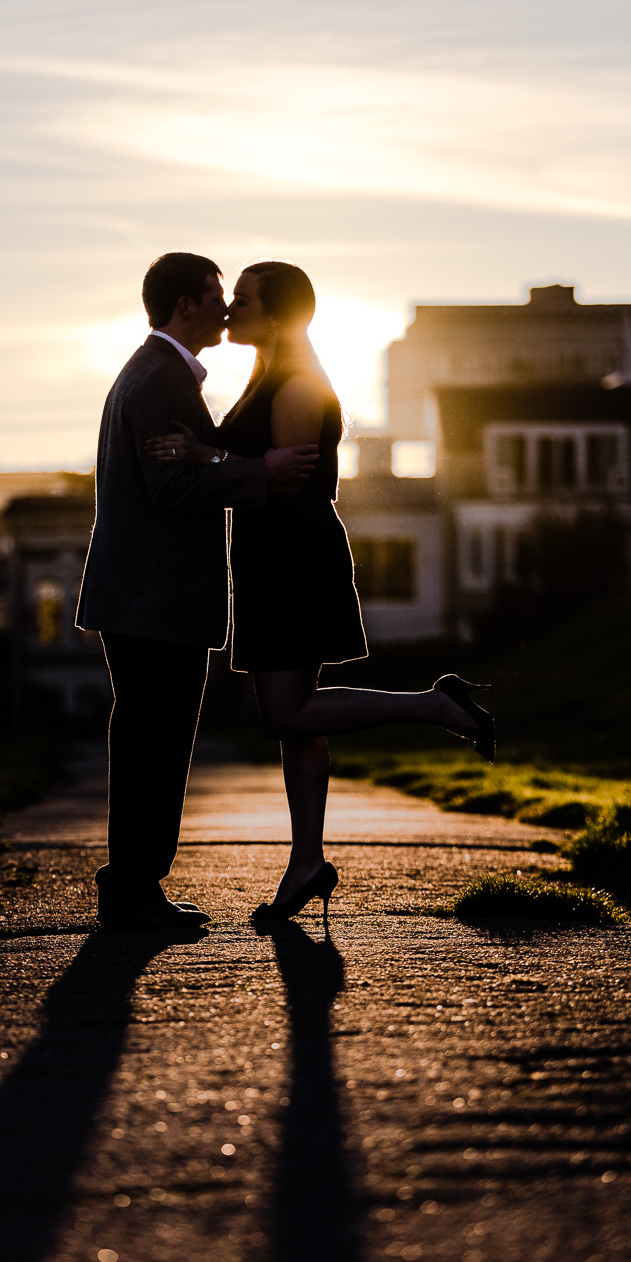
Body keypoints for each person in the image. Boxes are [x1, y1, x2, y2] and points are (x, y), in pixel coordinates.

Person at [147, 261, 494, 922]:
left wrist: (205, 458)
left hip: (293, 556)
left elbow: (283, 482)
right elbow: (257, 467)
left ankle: (435, 706)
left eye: (241, 301)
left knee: (285, 715)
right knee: (296, 721)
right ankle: (307, 862)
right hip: (267, 555)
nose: (229, 312)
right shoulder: (265, 376)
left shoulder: (300, 383)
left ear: (277, 316)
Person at [76, 252, 319, 929]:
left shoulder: (157, 372)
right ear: (185, 305)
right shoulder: (160, 378)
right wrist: (259, 470)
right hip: (155, 600)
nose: (226, 309)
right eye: (217, 296)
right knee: (156, 743)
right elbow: (171, 485)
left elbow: (185, 469)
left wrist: (221, 460)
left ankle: (133, 885)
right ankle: (135, 889)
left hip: (147, 598)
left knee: (146, 743)